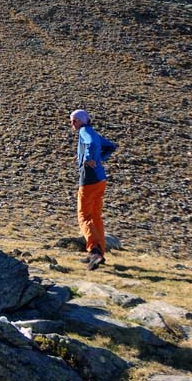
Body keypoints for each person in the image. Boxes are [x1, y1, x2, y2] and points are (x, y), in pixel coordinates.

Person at [70, 109, 117, 271]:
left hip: (89, 179)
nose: (72, 124)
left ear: (82, 121)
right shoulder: (93, 132)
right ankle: (100, 252)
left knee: (84, 215)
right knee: (95, 215)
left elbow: (89, 143)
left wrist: (89, 159)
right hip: (100, 179)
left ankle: (94, 251)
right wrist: (99, 159)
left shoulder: (84, 131)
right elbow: (111, 146)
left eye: (75, 120)